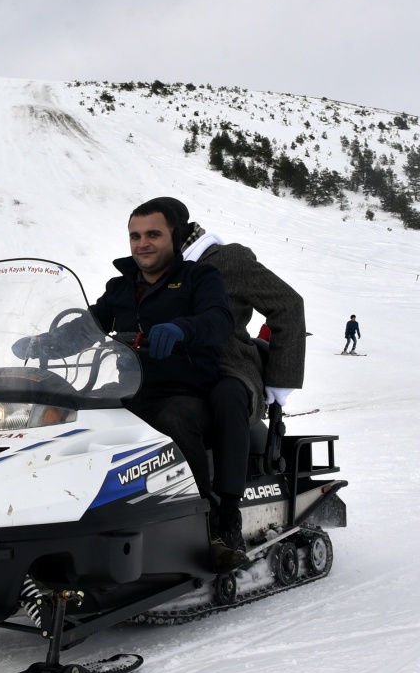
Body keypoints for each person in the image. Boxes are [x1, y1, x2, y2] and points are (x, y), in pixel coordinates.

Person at [83, 201, 233, 553]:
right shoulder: (119, 288)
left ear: (174, 237)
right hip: (131, 390)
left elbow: (219, 319)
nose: (142, 243)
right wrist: (47, 338)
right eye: (135, 236)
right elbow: (90, 322)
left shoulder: (199, 277)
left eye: (153, 234)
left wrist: (181, 328)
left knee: (173, 420)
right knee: (78, 419)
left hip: (187, 393)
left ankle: (208, 527)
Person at [161, 200, 306, 564]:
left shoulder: (228, 261)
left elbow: (288, 304)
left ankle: (227, 516)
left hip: (231, 371)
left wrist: (280, 382)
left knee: (226, 398)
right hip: (178, 375)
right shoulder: (155, 270)